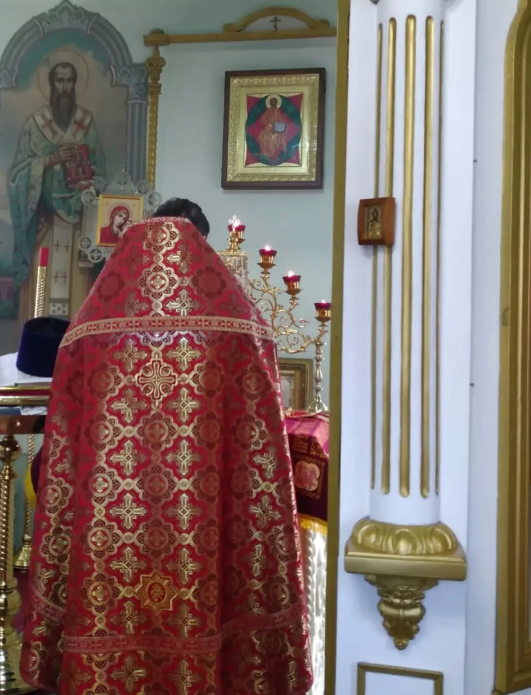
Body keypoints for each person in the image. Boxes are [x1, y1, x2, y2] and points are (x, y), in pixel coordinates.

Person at [21, 206, 312, 693]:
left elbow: (65, 443)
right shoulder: (238, 324)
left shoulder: (93, 324)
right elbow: (258, 447)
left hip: (113, 522)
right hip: (202, 518)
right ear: (201, 242)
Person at [8, 61, 106, 319]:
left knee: (77, 295)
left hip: (78, 228)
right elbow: (16, 175)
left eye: (69, 81)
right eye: (59, 81)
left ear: (75, 84)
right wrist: (51, 160)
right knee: (42, 297)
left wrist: (91, 185)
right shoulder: (35, 123)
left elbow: (101, 173)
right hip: (45, 226)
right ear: (51, 84)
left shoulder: (86, 123)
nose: (65, 87)